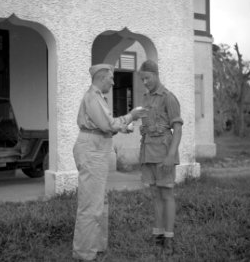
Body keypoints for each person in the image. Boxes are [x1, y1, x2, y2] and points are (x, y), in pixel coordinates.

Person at [72, 63, 146, 261]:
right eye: (111, 78)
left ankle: (96, 247)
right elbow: (107, 125)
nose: (114, 82)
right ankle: (85, 254)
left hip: (97, 147)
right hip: (92, 148)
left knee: (99, 201)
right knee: (91, 204)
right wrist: (131, 116)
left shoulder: (97, 98)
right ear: (101, 78)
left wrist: (121, 126)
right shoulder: (93, 98)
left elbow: (108, 125)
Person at [138, 59, 183, 256]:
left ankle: (169, 238)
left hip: (164, 153)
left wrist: (171, 156)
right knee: (155, 194)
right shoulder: (145, 98)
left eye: (147, 78)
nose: (145, 82)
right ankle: (158, 234)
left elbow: (178, 128)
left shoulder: (168, 97)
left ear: (155, 75)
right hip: (148, 151)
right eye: (142, 79)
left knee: (167, 194)